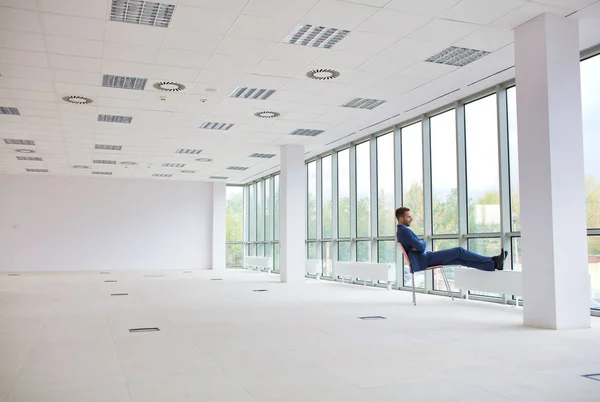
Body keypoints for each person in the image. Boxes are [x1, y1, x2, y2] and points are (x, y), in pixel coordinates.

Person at [395, 207, 507, 272]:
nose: (411, 219)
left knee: (460, 259)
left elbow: (418, 247)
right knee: (459, 251)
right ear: (401, 218)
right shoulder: (404, 231)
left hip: (425, 257)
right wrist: (422, 242)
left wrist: (419, 244)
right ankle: (491, 259)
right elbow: (422, 246)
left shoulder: (402, 231)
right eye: (408, 217)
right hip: (425, 259)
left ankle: (494, 264)